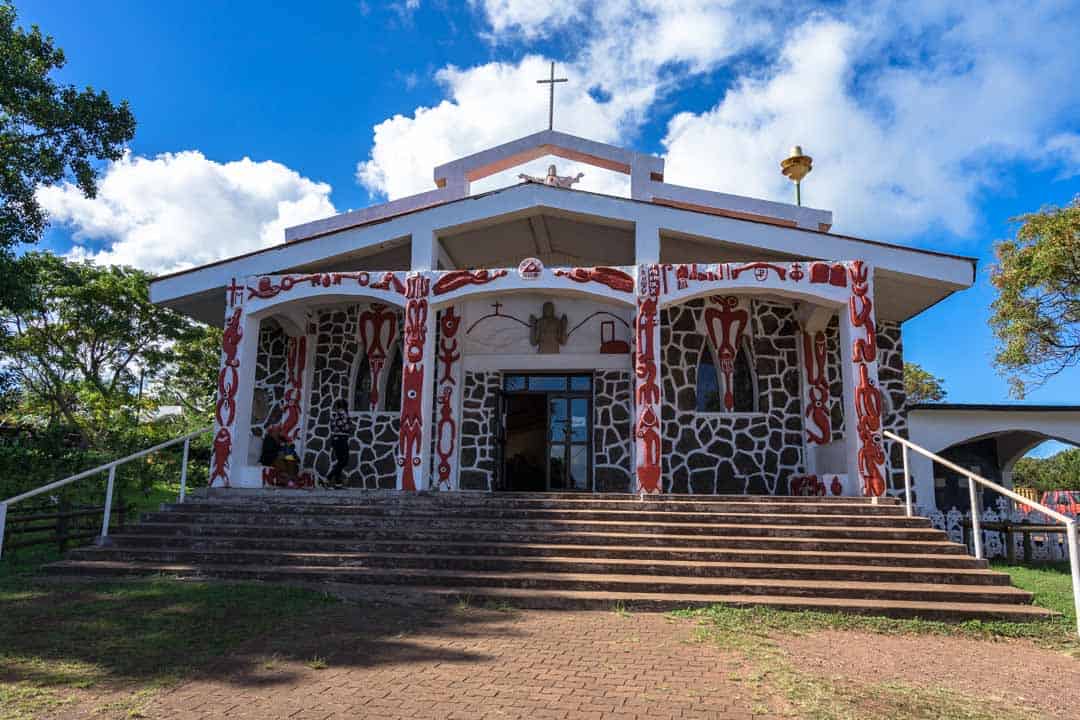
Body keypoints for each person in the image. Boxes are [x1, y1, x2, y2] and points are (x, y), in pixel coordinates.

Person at [328, 399, 354, 487]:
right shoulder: (342, 413)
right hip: (341, 439)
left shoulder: (336, 414)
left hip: (337, 439)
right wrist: (349, 426)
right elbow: (346, 427)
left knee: (341, 460)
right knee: (344, 460)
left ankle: (337, 481)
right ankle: (330, 477)